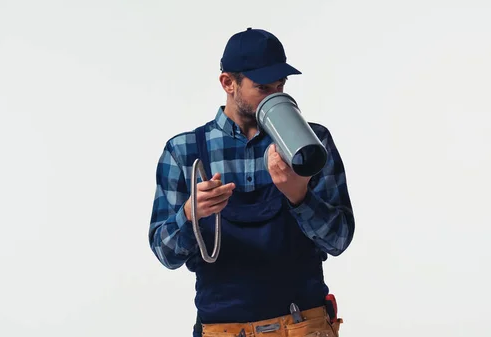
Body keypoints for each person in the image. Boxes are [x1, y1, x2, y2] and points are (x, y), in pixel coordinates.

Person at [148, 27, 355, 337]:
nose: (275, 96)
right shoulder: (185, 152)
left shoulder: (312, 143)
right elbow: (165, 254)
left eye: (280, 85)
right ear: (228, 83)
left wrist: (299, 195)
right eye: (262, 87)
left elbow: (338, 241)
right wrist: (191, 214)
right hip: (225, 330)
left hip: (302, 326)